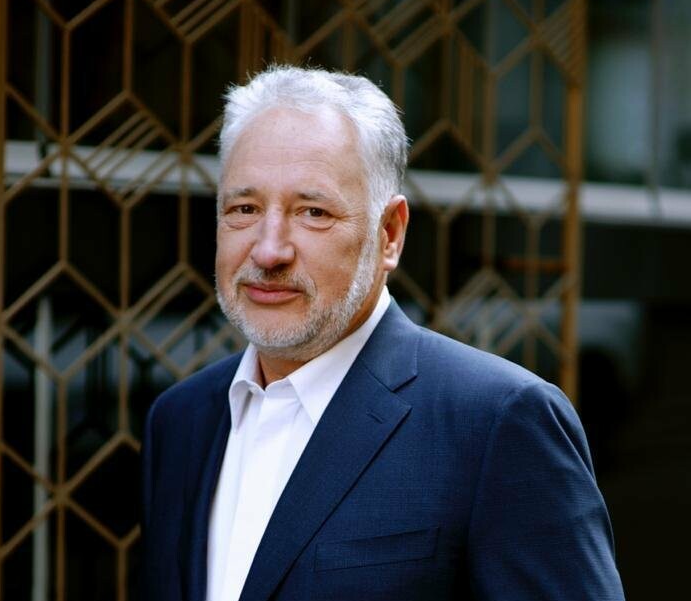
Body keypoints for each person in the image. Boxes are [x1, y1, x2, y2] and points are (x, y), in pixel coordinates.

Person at [142, 66, 624, 601]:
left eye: (313, 212)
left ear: (389, 234)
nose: (269, 249)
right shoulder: (180, 422)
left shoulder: (496, 423)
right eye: (244, 209)